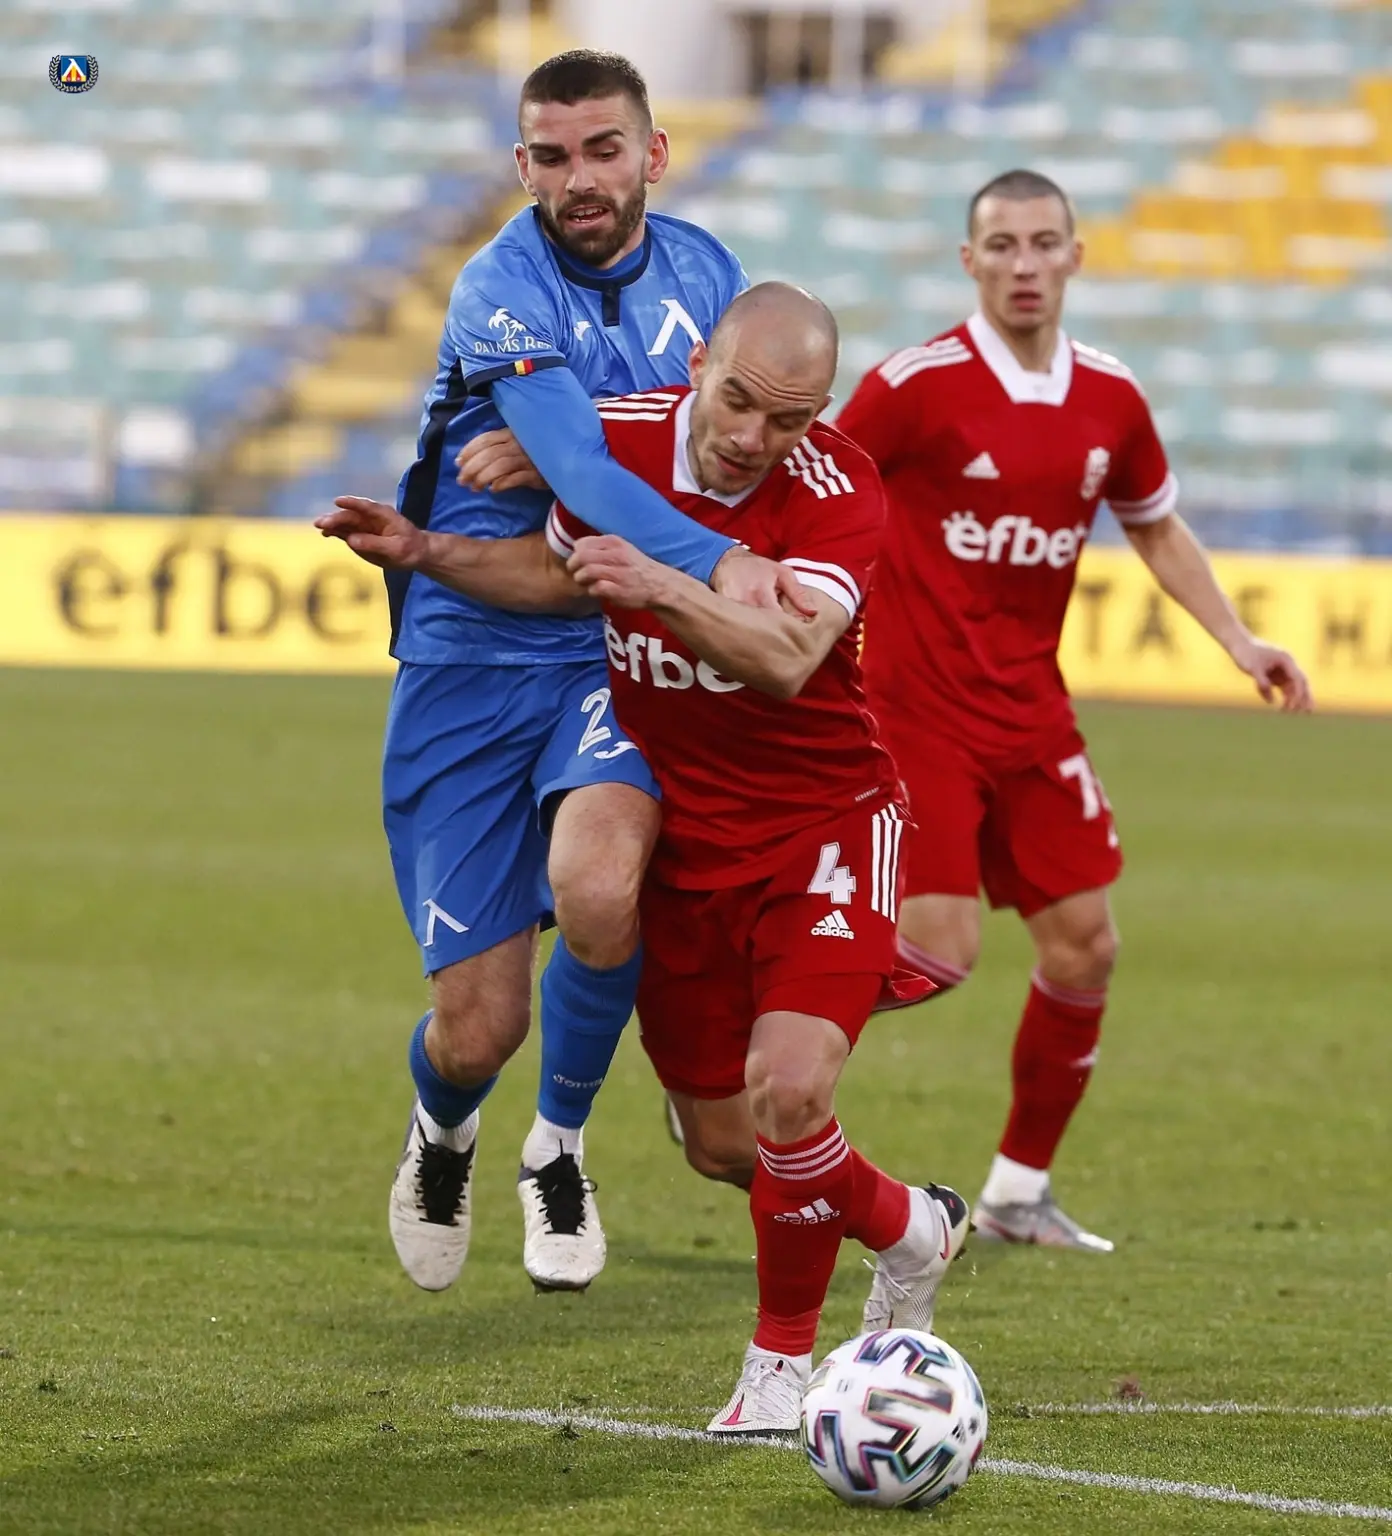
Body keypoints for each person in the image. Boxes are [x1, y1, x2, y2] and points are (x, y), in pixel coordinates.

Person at [321, 282, 969, 1436]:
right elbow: (558, 573)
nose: (754, 437)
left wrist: (661, 578)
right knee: (725, 1145)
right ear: (701, 362)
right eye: (739, 402)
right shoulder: (610, 446)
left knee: (790, 1088)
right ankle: (910, 1227)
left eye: (789, 420)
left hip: (824, 827)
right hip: (693, 843)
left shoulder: (840, 491)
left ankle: (777, 1372)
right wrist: (427, 551)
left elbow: (786, 657)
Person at [319, 50, 806, 1299]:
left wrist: (584, 459)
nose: (579, 178)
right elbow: (591, 475)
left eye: (603, 149)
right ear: (522, 165)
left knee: (599, 888)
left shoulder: (709, 275)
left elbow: (716, 446)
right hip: (469, 655)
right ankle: (445, 1130)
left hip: (611, 645)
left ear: (654, 153)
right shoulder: (500, 287)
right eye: (551, 155)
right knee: (479, 1028)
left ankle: (560, 1146)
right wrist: (717, 554)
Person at [835, 169, 1313, 1252]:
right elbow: (816, 485)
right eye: (1002, 245)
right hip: (914, 710)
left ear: (1075, 256)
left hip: (1031, 713)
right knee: (942, 945)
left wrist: (1239, 640)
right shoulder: (913, 385)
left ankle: (1017, 1192)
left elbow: (1154, 524)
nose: (1024, 264)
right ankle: (744, 1046)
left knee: (1086, 944)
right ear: (970, 261)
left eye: (1043, 243)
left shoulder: (1111, 397)